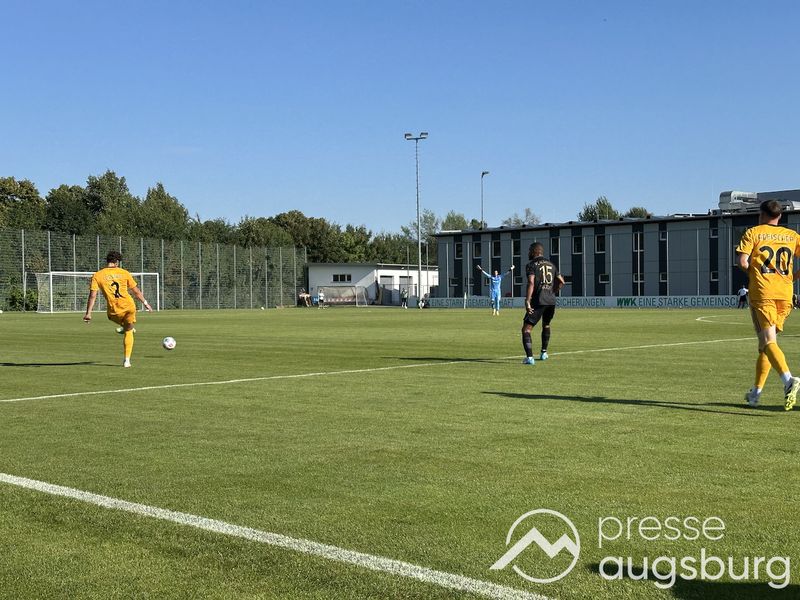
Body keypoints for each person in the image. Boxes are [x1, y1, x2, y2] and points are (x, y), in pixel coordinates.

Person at [736, 200, 800, 410]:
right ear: (779, 216)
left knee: (767, 341)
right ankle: (755, 393)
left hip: (764, 293)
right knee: (765, 345)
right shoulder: (792, 236)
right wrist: (792, 277)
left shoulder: (753, 233)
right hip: (785, 295)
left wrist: (755, 274)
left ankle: (788, 380)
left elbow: (742, 262)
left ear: (761, 214)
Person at [83, 250, 152, 368]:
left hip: (114, 310)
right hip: (130, 306)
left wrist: (88, 313)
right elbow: (136, 291)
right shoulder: (124, 273)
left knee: (116, 321)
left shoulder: (98, 275)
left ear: (107, 261)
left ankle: (126, 327)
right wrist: (145, 303)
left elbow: (93, 295)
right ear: (117, 262)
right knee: (129, 330)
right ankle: (127, 361)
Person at [521, 242, 564, 365]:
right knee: (546, 325)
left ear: (535, 251)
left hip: (538, 300)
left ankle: (530, 358)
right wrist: (552, 291)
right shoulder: (551, 264)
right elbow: (561, 281)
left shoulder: (531, 265)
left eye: (530, 250)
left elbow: (531, 282)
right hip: (551, 301)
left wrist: (527, 300)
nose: (528, 253)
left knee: (526, 329)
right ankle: (544, 353)